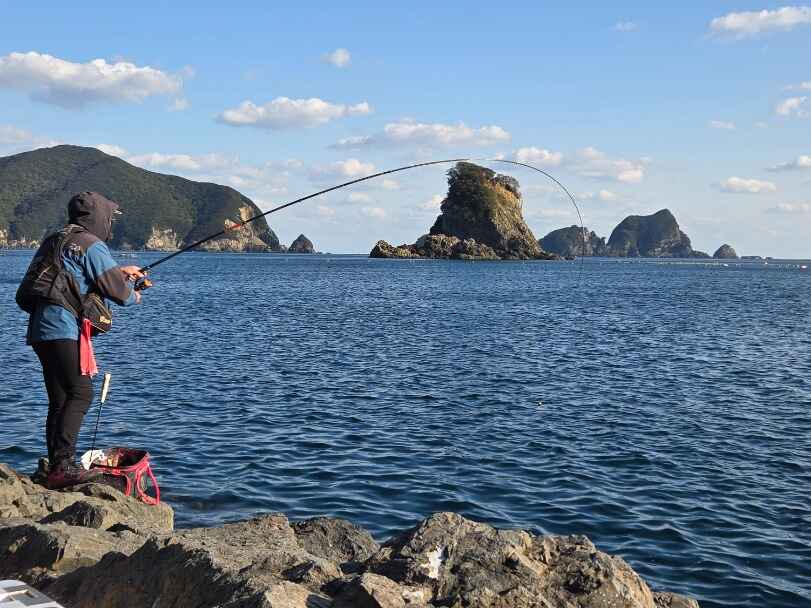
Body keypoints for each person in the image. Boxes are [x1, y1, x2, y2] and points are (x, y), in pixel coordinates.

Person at [17, 192, 145, 490]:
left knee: (60, 398)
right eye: (109, 217)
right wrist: (135, 294)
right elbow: (120, 293)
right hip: (62, 328)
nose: (110, 222)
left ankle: (54, 466)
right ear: (99, 216)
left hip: (39, 330)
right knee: (81, 393)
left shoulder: (56, 239)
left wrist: (119, 271)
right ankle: (63, 467)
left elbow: (71, 273)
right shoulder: (92, 244)